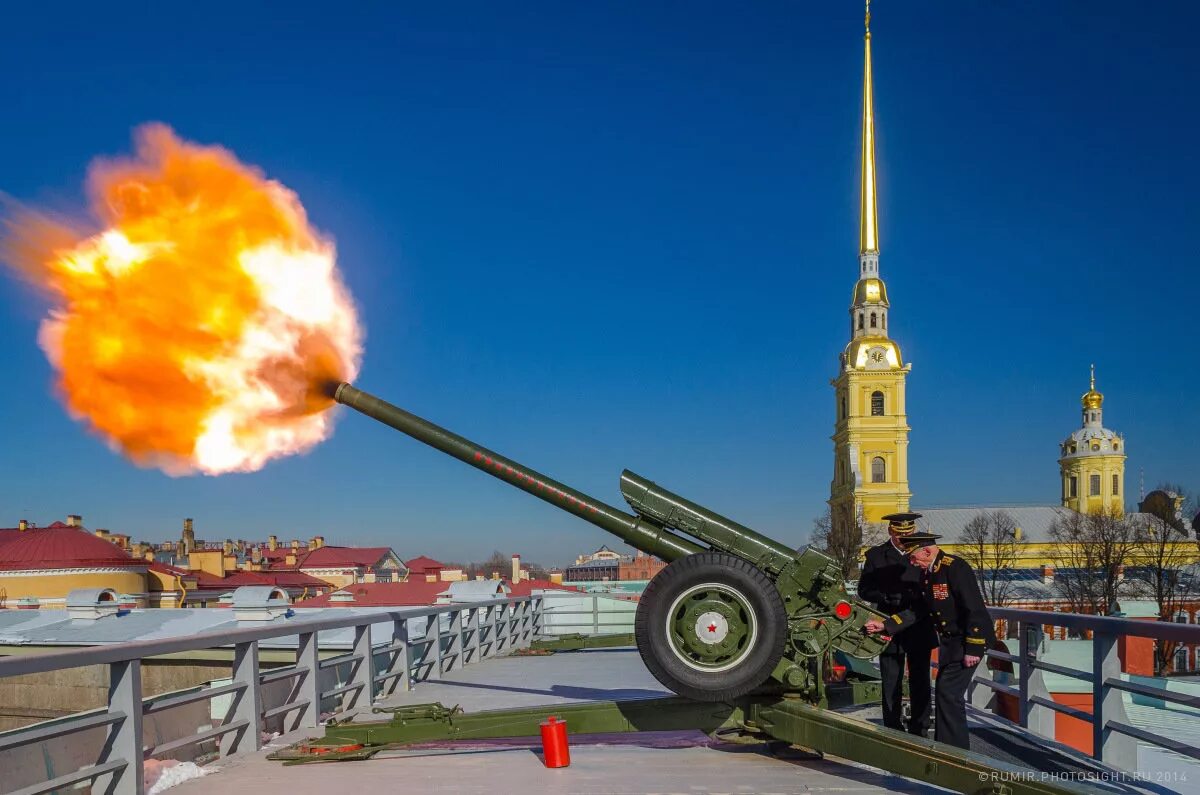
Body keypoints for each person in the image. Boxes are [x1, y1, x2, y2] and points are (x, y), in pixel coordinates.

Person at [865, 532, 996, 750]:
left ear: (927, 551)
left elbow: (974, 609)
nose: (911, 563)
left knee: (947, 692)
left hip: (967, 642)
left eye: (913, 557)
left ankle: (955, 751)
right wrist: (886, 625)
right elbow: (919, 610)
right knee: (946, 693)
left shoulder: (955, 568)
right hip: (951, 644)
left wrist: (973, 648)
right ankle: (948, 748)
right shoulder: (928, 574)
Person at [856, 512, 936, 736]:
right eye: (901, 535)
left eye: (909, 534)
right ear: (891, 531)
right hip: (888, 624)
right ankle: (892, 726)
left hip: (918, 623)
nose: (905, 539)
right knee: (891, 680)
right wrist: (884, 596)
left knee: (920, 679)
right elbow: (864, 590)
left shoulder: (922, 553)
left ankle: (920, 726)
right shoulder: (875, 555)